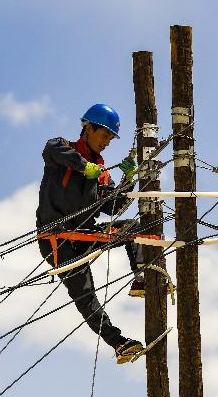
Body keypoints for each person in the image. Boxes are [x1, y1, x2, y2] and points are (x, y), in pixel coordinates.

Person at [36, 103, 145, 364]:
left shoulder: (102, 174)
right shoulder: (62, 149)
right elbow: (51, 150)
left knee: (133, 227)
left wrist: (129, 180)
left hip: (84, 235)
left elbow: (113, 207)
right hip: (57, 239)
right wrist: (83, 166)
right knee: (85, 295)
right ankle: (118, 343)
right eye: (104, 135)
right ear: (88, 128)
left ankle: (142, 277)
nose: (107, 142)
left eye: (110, 138)